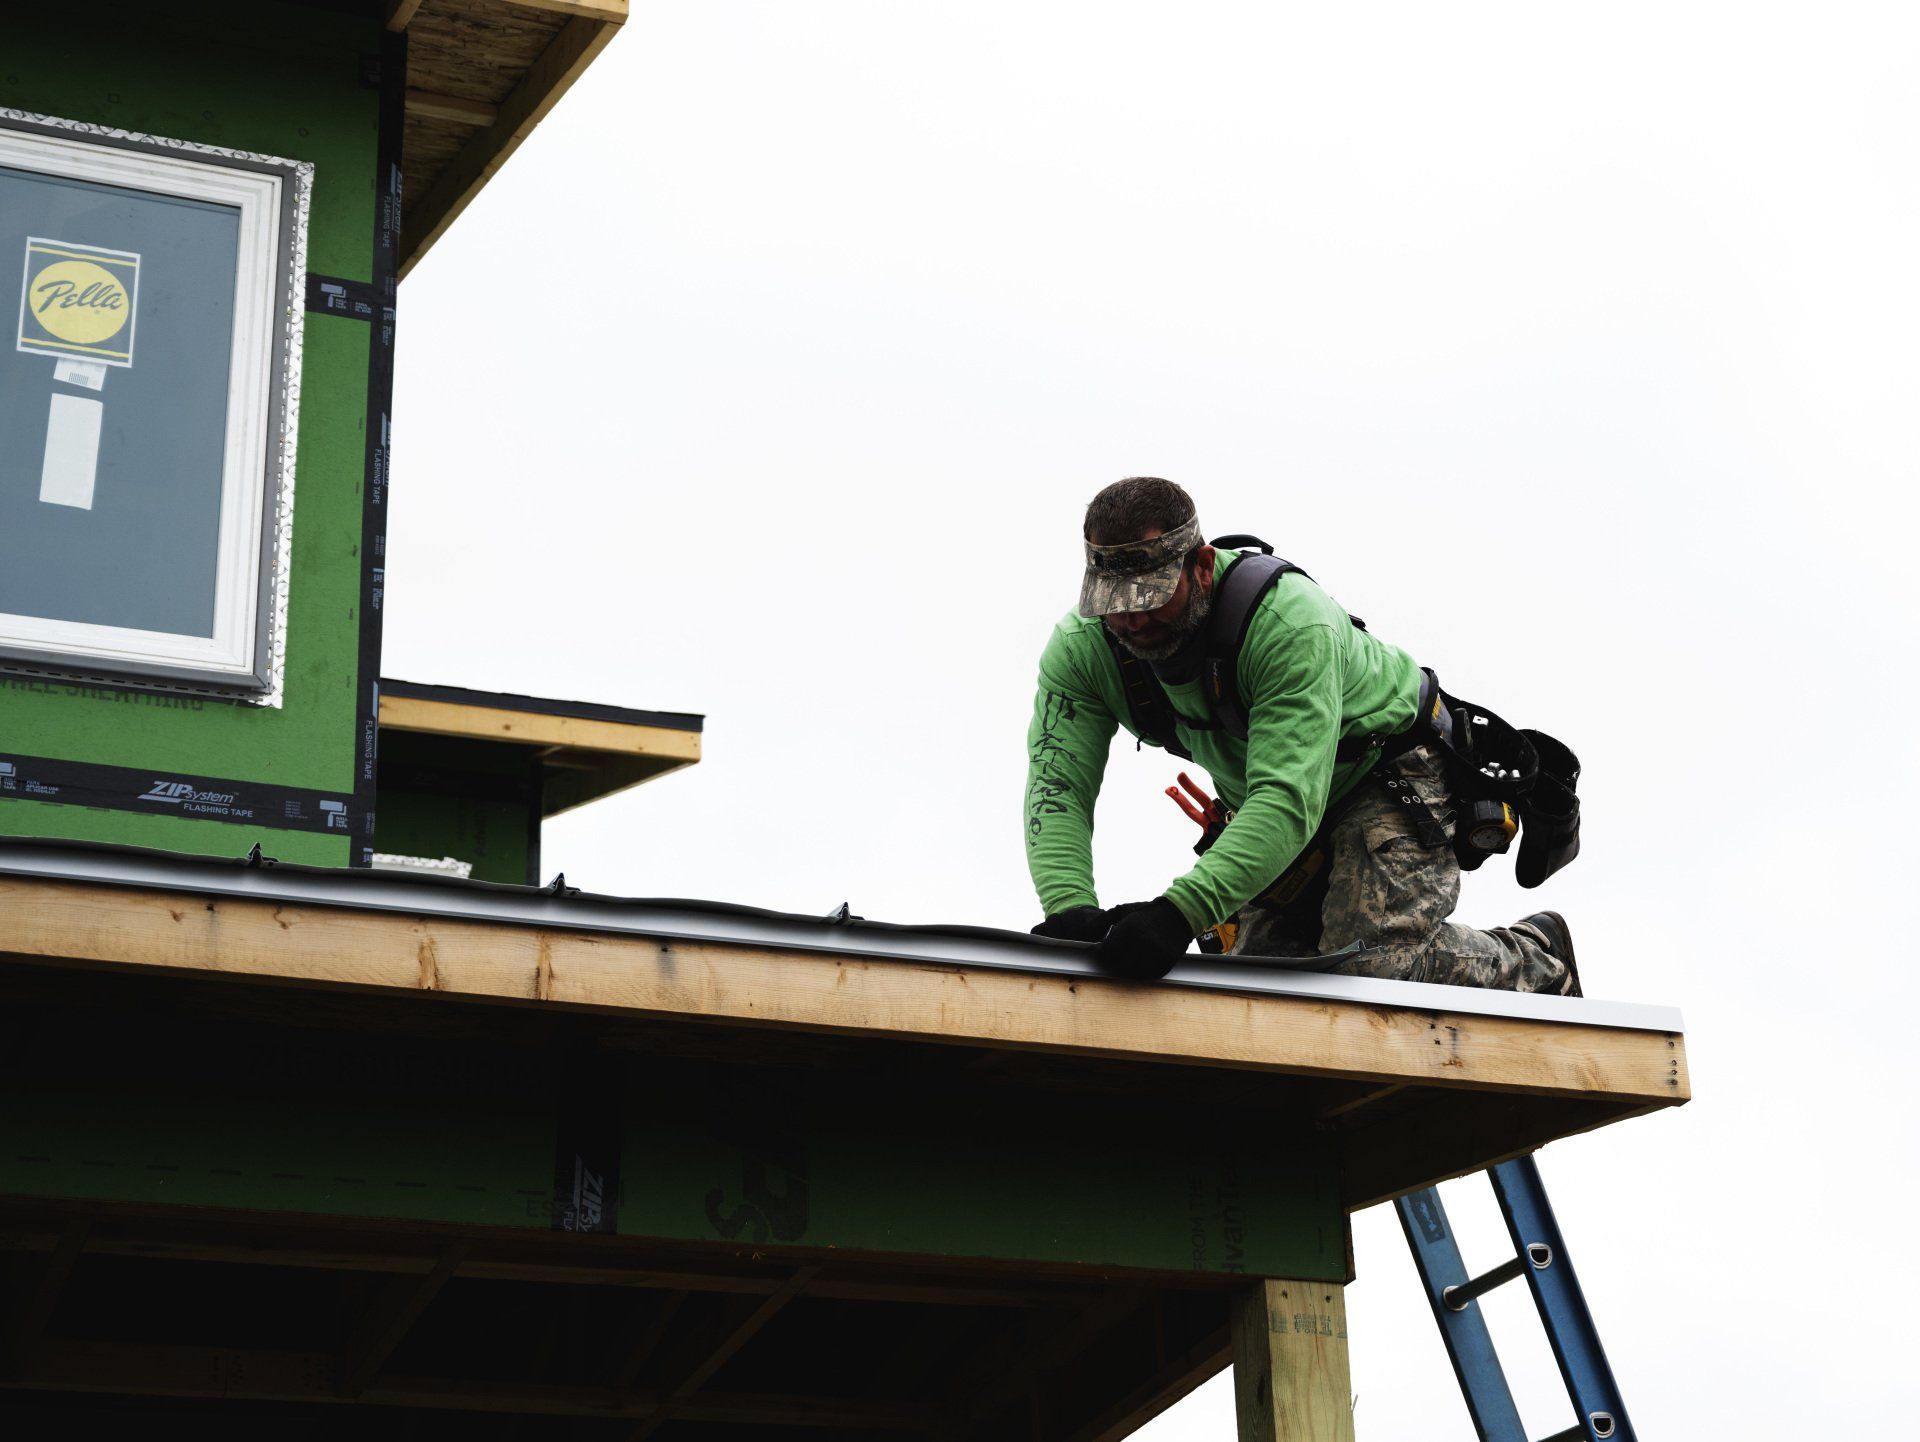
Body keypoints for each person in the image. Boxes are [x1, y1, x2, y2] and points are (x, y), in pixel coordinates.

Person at [1023, 476, 1578, 991]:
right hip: (1270, 805)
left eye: (1149, 596)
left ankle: (1538, 957)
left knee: (1366, 969)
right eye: (1112, 602)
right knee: (1262, 992)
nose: (1131, 620)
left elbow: (1286, 799)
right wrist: (1070, 910)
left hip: (1386, 773)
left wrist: (1177, 914)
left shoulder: (1288, 624)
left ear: (1200, 566)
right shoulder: (1083, 651)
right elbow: (1059, 787)